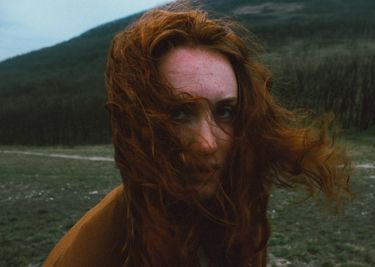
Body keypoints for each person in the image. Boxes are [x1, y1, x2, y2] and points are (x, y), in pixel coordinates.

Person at [44, 3, 351, 267]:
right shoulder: (91, 255)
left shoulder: (239, 214)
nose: (207, 143)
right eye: (179, 113)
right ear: (137, 123)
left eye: (225, 111)